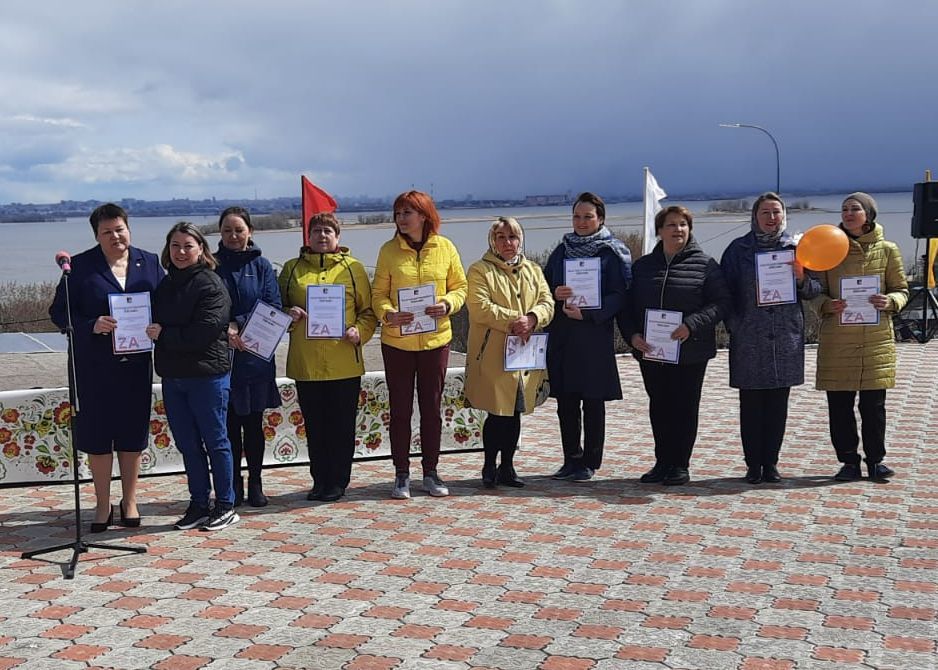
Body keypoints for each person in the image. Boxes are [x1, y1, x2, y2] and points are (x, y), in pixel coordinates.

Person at [49, 203, 163, 532]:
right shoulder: (80, 267)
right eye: (107, 232)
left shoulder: (150, 262)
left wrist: (159, 326)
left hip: (136, 366)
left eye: (120, 229)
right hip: (94, 368)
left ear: (129, 228)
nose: (115, 236)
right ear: (97, 235)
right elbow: (59, 313)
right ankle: (102, 504)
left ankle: (129, 500)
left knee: (131, 436)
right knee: (98, 437)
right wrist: (90, 324)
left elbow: (166, 303)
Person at [619, 205, 730, 486]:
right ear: (659, 230)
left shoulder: (705, 265)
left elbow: (722, 303)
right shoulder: (643, 267)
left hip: (690, 351)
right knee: (660, 406)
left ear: (689, 230)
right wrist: (632, 336)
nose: (677, 229)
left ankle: (680, 464)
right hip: (652, 351)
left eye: (683, 224)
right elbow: (627, 307)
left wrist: (691, 325)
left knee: (684, 406)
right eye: (671, 225)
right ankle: (662, 462)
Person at [372, 190, 468, 499]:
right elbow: (378, 295)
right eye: (398, 213)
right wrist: (388, 314)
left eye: (406, 213)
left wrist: (447, 303)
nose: (401, 219)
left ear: (424, 216)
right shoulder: (388, 251)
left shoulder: (446, 247)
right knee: (400, 410)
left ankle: (431, 472)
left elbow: (460, 287)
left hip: (435, 342)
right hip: (397, 343)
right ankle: (401, 473)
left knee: (432, 409)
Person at [720, 193, 821, 484]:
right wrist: (735, 325)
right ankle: (753, 464)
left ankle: (772, 463)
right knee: (751, 404)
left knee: (778, 404)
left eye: (776, 212)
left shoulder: (798, 248)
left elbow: (815, 290)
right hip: (749, 336)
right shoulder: (738, 250)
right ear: (755, 216)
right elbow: (723, 293)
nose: (771, 218)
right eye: (765, 212)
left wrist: (802, 278)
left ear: (783, 216)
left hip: (784, 338)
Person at [146, 222, 238, 531]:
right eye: (175, 246)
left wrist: (164, 335)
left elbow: (206, 330)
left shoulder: (210, 283)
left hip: (207, 376)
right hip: (174, 377)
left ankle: (226, 504)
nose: (181, 252)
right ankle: (199, 503)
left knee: (216, 441)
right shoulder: (166, 284)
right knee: (187, 444)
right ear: (167, 250)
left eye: (188, 246)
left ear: (201, 250)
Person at [279, 213, 376, 503]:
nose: (322, 236)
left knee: (342, 426)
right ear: (307, 236)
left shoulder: (354, 268)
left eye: (328, 231)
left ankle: (338, 481)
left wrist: (360, 331)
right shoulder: (291, 268)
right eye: (317, 231)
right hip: (306, 363)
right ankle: (319, 480)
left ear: (338, 237)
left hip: (343, 360)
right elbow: (278, 307)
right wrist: (289, 314)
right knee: (315, 426)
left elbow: (368, 311)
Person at [815, 192, 908, 482]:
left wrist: (890, 301)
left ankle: (876, 461)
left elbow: (902, 290)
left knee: (874, 407)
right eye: (844, 209)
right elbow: (815, 291)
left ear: (869, 214)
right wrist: (826, 305)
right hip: (838, 340)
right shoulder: (829, 247)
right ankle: (848, 461)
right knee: (839, 407)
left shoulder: (889, 249)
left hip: (875, 341)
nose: (848, 213)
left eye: (855, 208)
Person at [544, 192, 631, 483]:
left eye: (588, 217)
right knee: (566, 401)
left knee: (592, 401)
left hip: (593, 334)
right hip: (564, 335)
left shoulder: (611, 252)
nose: (581, 222)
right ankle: (571, 458)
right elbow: (544, 287)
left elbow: (620, 295)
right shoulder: (562, 251)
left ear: (601, 219)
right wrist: (555, 294)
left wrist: (591, 314)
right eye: (577, 217)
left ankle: (591, 461)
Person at [465, 217, 554, 488]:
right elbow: (480, 307)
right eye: (501, 237)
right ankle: (489, 465)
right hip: (492, 351)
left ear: (520, 240)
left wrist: (533, 318)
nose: (507, 243)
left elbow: (547, 302)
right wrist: (516, 321)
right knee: (497, 411)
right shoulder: (479, 270)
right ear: (492, 241)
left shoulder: (533, 270)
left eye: (512, 237)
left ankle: (508, 466)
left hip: (525, 353)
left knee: (515, 411)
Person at [214, 206, 282, 508]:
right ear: (220, 233)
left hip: (256, 355)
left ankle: (256, 482)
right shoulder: (211, 265)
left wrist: (238, 324)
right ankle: (232, 485)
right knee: (227, 428)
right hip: (222, 357)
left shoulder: (263, 265)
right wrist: (225, 327)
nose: (233, 235)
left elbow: (272, 304)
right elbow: (208, 305)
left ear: (250, 232)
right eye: (227, 230)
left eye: (239, 230)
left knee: (254, 426)